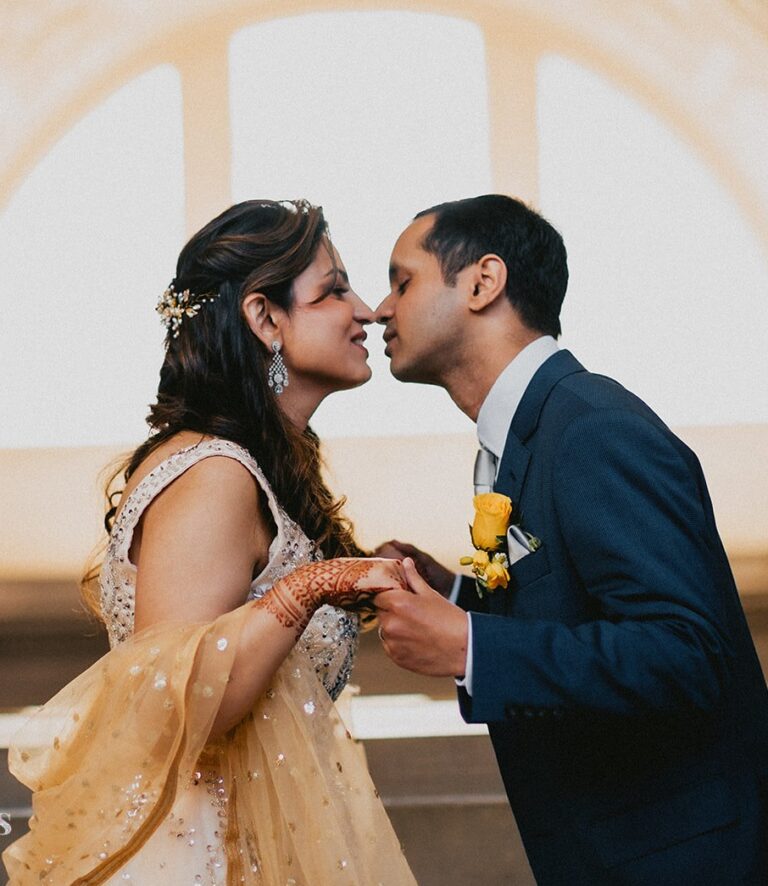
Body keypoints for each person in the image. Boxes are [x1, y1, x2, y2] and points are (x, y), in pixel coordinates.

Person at [3, 199, 416, 885]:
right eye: (334, 289)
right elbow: (179, 703)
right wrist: (311, 586)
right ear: (263, 318)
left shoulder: (255, 468)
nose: (367, 310)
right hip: (200, 854)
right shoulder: (215, 475)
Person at [373, 194, 768, 884]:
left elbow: (686, 653)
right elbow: (579, 604)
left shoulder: (590, 428)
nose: (380, 309)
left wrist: (470, 645)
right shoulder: (530, 430)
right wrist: (458, 595)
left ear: (482, 282)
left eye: (402, 281)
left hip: (686, 860)